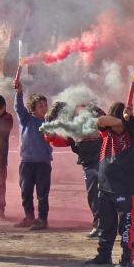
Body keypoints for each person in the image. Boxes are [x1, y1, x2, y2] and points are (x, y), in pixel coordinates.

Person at [87, 102, 134, 267]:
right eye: (115, 120)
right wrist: (122, 119)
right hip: (105, 186)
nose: (117, 126)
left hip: (126, 188)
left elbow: (129, 126)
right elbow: (101, 120)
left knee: (127, 225)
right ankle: (104, 254)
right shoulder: (106, 132)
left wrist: (127, 120)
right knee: (106, 224)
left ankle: (126, 259)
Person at [43, 102, 105, 239]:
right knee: (93, 195)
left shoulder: (87, 112)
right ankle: (100, 224)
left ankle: (116, 221)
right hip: (88, 162)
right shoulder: (69, 125)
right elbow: (64, 141)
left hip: (103, 158)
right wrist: (50, 136)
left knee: (104, 193)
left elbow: (106, 126)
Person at [13, 75, 52, 231]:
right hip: (27, 162)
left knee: (42, 193)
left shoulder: (50, 123)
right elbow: (18, 107)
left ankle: (42, 219)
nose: (44, 108)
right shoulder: (27, 119)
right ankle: (29, 217)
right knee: (26, 191)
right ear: (33, 108)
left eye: (45, 105)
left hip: (43, 162)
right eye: (40, 106)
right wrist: (19, 92)